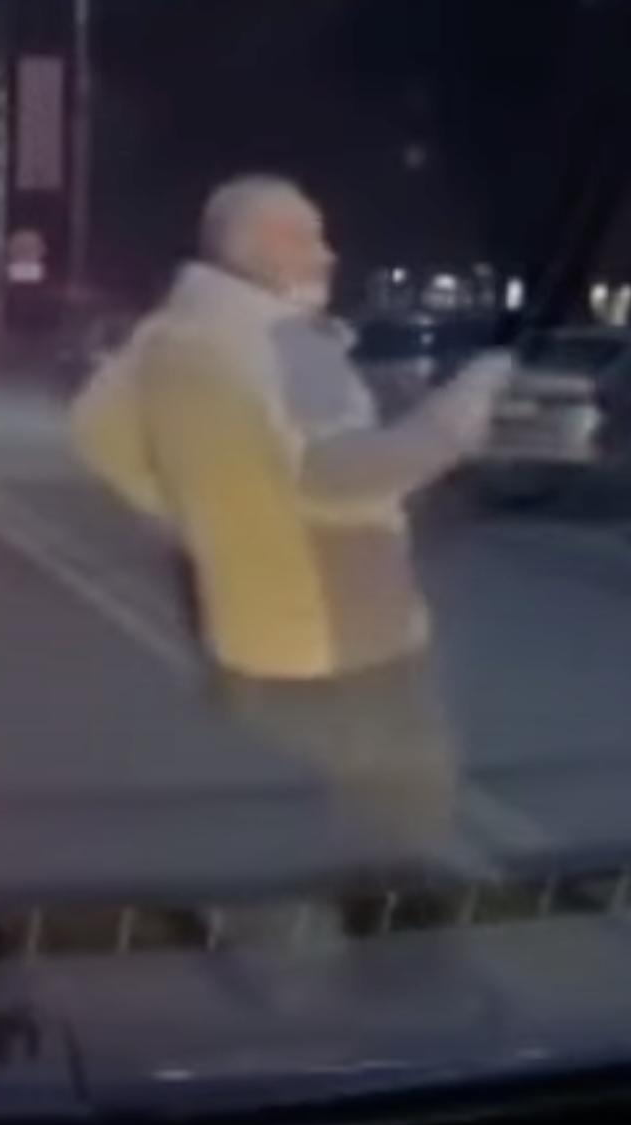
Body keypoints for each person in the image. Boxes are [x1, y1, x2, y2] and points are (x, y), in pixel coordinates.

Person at [69, 174, 513, 867]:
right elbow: (336, 476)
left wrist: (206, 512)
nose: (328, 253)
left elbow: (95, 432)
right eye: (306, 235)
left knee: (275, 819)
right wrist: (457, 417)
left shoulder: (167, 334)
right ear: (254, 246)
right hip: (348, 638)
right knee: (400, 825)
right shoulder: (283, 338)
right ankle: (390, 959)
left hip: (244, 630)